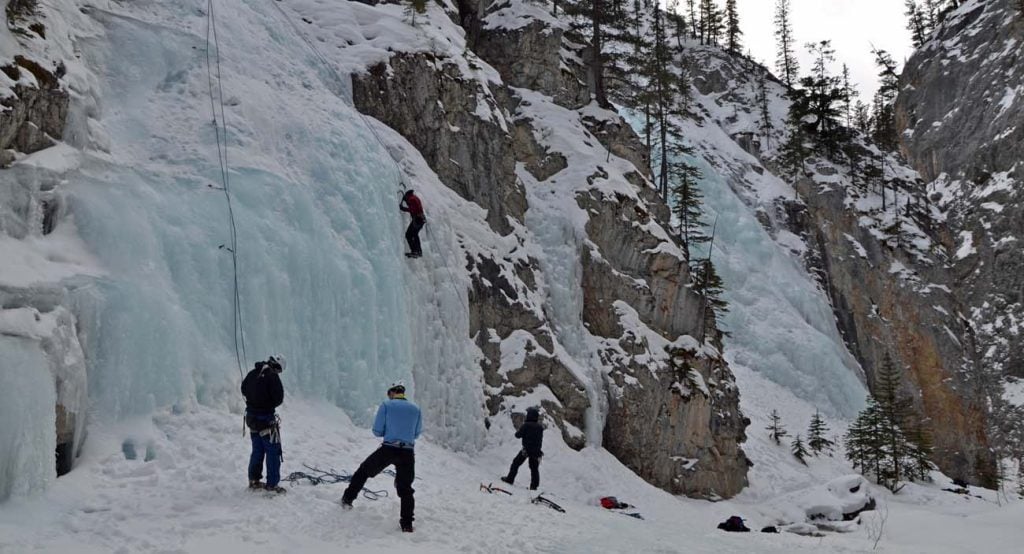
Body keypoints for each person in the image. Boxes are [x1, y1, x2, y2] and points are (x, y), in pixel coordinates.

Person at [341, 382, 422, 532]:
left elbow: (377, 431)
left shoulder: (386, 405)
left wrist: (390, 431)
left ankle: (348, 499)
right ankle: (407, 524)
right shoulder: (416, 409)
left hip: (389, 449)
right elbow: (416, 434)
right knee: (406, 489)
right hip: (407, 452)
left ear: (392, 393)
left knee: (363, 471)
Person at [241, 355, 286, 493]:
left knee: (257, 450)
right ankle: (272, 484)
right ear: (277, 367)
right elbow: (278, 398)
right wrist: (266, 404)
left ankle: (254, 480)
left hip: (251, 419)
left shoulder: (253, 372)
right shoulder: (272, 376)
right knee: (273, 451)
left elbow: (243, 389)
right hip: (266, 420)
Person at [501, 406, 544, 490]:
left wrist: (521, 430)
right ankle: (534, 486)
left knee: (516, 463)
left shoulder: (526, 425)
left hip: (526, 450)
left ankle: (510, 479)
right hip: (536, 452)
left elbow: (517, 435)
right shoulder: (540, 428)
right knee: (534, 469)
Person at [399, 190, 426, 258]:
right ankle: (419, 251)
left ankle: (415, 251)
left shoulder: (412, 199)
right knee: (414, 234)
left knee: (408, 235)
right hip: (421, 219)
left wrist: (403, 208)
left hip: (417, 219)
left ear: (407, 195)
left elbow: (412, 209)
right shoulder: (415, 198)